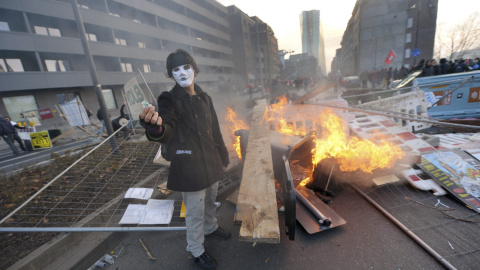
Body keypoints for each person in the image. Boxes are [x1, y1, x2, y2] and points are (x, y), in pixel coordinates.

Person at [139, 49, 230, 270]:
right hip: (189, 168)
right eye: (175, 69)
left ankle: (211, 227)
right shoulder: (169, 99)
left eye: (186, 67)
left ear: (194, 69)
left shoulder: (204, 97)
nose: (182, 72)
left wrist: (223, 154)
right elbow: (167, 129)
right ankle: (197, 251)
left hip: (211, 161)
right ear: (171, 74)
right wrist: (155, 127)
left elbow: (215, 130)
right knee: (195, 212)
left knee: (211, 200)